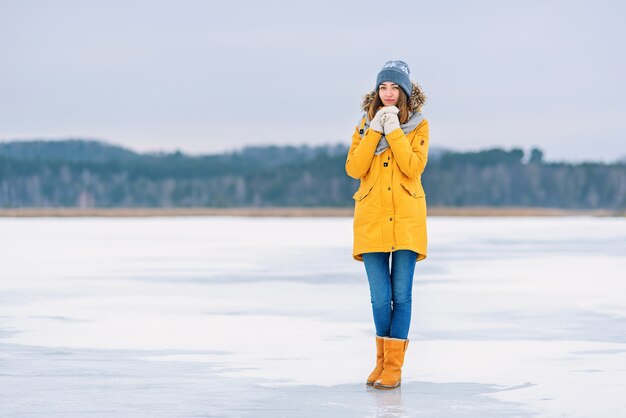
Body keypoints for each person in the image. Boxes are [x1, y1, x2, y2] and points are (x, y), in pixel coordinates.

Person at [345, 60, 429, 390]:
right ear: (377, 92)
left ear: (405, 92)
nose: (389, 93)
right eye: (383, 88)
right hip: (371, 219)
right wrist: (376, 128)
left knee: (401, 296)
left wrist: (393, 130)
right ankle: (380, 362)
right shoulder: (364, 125)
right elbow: (354, 168)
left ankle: (393, 367)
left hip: (407, 219)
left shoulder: (420, 126)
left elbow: (412, 167)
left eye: (395, 88)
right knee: (380, 299)